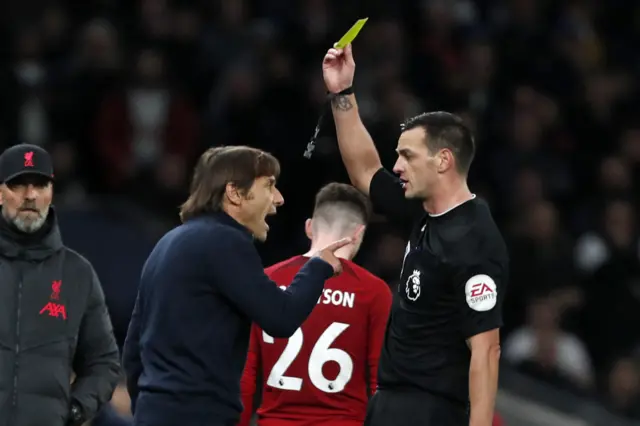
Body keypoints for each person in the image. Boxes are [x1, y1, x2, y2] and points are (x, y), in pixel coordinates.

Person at [321, 44, 509, 426]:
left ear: (443, 161)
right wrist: (342, 93)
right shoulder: (425, 207)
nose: (397, 166)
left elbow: (486, 351)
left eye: (407, 156)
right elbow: (365, 171)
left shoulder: (474, 240)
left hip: (429, 411)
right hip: (393, 401)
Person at [123, 146, 359, 426]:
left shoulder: (167, 243)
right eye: (269, 186)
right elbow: (282, 317)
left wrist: (149, 411)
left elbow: (133, 348)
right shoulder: (225, 242)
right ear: (234, 193)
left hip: (155, 413)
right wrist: (318, 266)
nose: (279, 199)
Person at [239, 183, 392, 426]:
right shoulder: (373, 291)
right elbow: (379, 382)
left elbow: (246, 374)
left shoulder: (266, 279)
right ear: (358, 233)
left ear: (309, 227)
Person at [0, 144, 121, 426]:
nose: (30, 195)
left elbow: (103, 362)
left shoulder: (77, 274)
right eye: (18, 184)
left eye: (40, 185)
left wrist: (76, 409)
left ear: (51, 193)